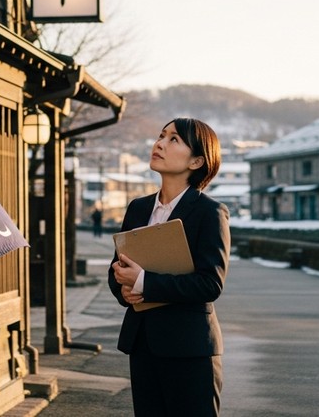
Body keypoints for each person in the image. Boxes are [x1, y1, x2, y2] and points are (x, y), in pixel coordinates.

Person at [108, 118, 230, 416]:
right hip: (143, 343)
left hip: (190, 348)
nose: (159, 143)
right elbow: (117, 269)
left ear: (197, 160)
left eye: (174, 139)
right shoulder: (138, 207)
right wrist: (125, 287)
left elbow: (210, 284)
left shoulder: (209, 212)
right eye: (161, 136)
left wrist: (144, 283)